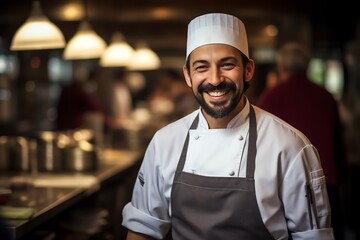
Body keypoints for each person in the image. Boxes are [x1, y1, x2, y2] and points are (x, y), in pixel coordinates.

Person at [122, 13, 334, 239]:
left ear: (248, 70)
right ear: (188, 75)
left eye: (227, 64)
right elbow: (142, 231)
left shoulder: (289, 147)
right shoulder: (164, 143)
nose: (215, 79)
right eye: (202, 67)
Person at [257, 42, 348, 240]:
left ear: (281, 66)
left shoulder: (273, 94)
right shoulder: (326, 96)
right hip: (327, 180)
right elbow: (338, 143)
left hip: (287, 185)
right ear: (307, 66)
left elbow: (258, 140)